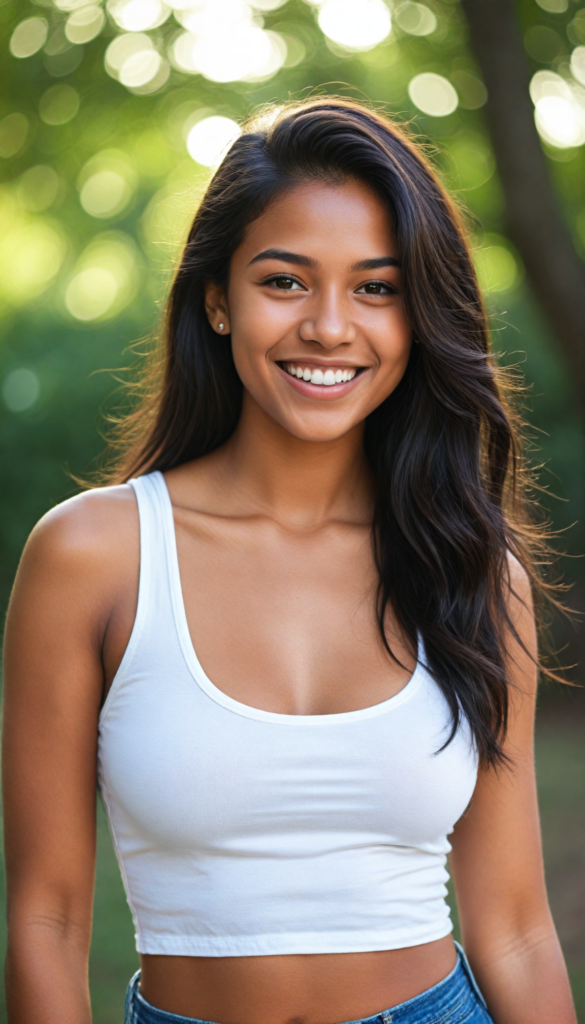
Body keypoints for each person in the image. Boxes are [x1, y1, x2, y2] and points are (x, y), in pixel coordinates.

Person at [2, 98, 577, 1024]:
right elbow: (46, 919)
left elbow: (512, 926)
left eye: (376, 288)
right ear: (217, 299)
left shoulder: (471, 567)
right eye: (285, 282)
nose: (329, 326)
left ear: (417, 316)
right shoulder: (92, 555)